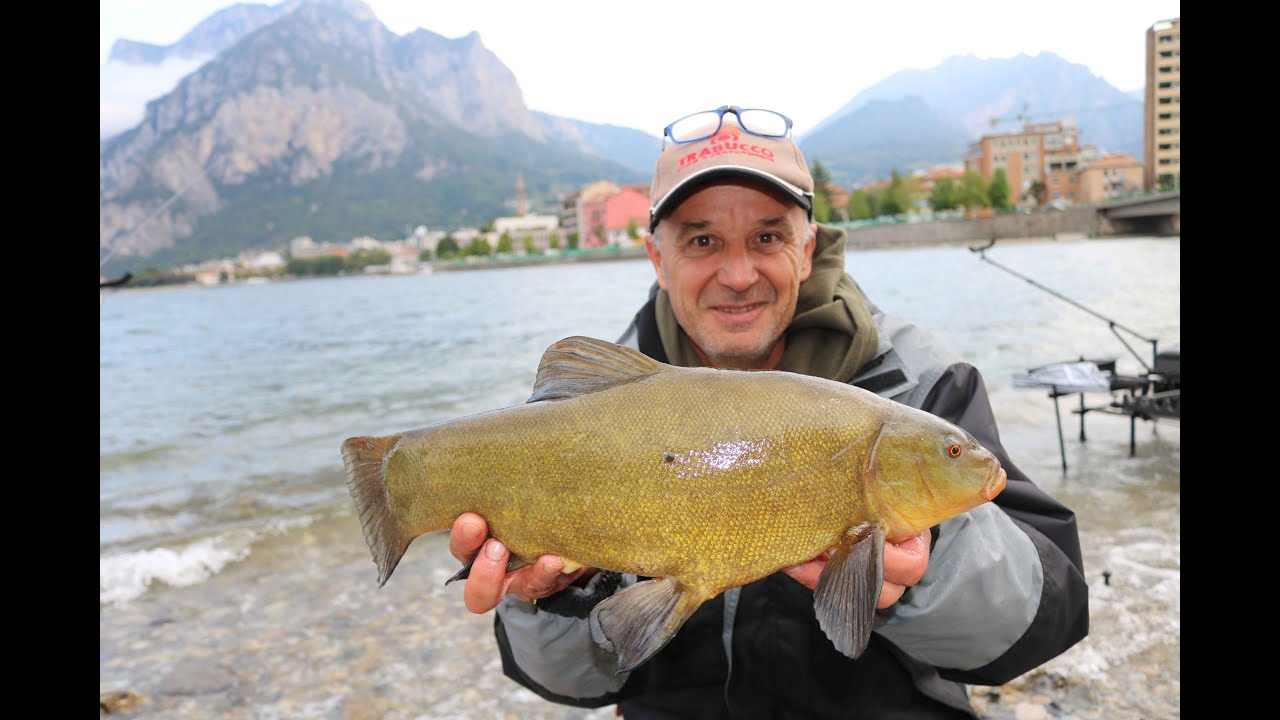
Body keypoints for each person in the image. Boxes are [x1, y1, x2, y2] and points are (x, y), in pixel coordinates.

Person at [447, 105, 1090, 718]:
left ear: (806, 249)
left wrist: (924, 565)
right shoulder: (582, 411)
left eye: (767, 236)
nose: (737, 272)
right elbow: (563, 682)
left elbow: (1045, 624)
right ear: (657, 259)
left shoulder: (918, 379)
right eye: (702, 239)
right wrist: (549, 597)